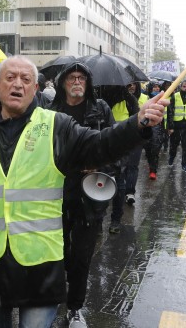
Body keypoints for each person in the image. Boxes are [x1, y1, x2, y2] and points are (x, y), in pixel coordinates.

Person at [0, 55, 168, 327]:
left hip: (40, 266)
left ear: (35, 89)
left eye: (25, 79)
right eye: (10, 78)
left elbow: (101, 144)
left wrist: (138, 122)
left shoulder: (57, 126)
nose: (17, 84)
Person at [49, 62, 121, 327]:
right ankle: (54, 298)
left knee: (81, 257)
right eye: (71, 78)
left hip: (90, 197)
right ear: (62, 83)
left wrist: (100, 165)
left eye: (81, 78)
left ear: (88, 83)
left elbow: (115, 148)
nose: (76, 82)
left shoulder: (100, 110)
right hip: (56, 194)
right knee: (57, 253)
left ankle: (75, 307)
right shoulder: (51, 111)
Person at [100, 84, 139, 232]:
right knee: (102, 180)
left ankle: (115, 220)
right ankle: (101, 219)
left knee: (119, 181)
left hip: (122, 145)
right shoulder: (100, 100)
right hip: (104, 144)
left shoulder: (129, 100)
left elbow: (136, 122)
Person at [123, 82, 148, 204]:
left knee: (132, 165)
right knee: (121, 166)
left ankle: (130, 192)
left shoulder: (144, 98)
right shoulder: (116, 99)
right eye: (129, 84)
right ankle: (119, 191)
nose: (131, 86)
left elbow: (148, 117)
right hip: (119, 138)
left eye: (134, 84)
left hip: (137, 137)